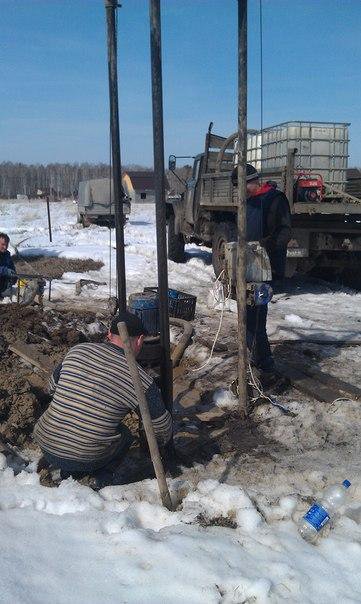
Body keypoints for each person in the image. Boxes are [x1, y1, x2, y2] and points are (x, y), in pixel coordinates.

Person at [34, 311, 172, 479]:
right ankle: (98, 479)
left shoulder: (77, 351)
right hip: (83, 458)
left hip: (44, 441)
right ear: (140, 340)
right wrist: (152, 444)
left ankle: (63, 461)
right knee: (125, 436)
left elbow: (50, 389)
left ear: (108, 334)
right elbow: (160, 428)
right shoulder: (140, 379)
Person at [232, 164, 292, 380]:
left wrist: (263, 246)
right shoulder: (247, 202)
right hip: (247, 267)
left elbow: (284, 232)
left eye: (240, 187)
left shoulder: (275, 199)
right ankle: (255, 359)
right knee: (246, 317)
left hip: (265, 269)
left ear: (250, 181)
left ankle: (265, 367)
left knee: (256, 320)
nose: (239, 192)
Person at [0, 233, 17, 299]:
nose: (5, 247)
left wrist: (14, 275)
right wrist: (6, 271)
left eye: (6, 245)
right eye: (3, 244)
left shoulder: (7, 254)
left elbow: (11, 266)